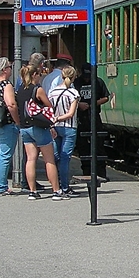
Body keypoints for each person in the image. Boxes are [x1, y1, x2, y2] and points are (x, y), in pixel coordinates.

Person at [18, 63, 62, 200]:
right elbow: (49, 107)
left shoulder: (20, 89)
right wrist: (51, 125)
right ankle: (56, 191)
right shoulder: (38, 90)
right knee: (49, 160)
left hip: (25, 128)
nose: (40, 76)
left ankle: (32, 191)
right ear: (34, 75)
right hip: (39, 127)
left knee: (30, 159)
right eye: (39, 74)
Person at [0, 57, 21, 196]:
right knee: (5, 155)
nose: (11, 69)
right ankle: (1, 187)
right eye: (10, 67)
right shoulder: (6, 85)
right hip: (6, 123)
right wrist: (18, 121)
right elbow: (11, 105)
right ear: (5, 70)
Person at [74, 63, 110, 184]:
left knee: (98, 145)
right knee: (83, 146)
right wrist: (79, 105)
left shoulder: (98, 82)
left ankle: (101, 173)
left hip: (94, 116)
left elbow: (106, 97)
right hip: (81, 117)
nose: (87, 79)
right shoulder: (77, 82)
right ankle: (86, 172)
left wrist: (94, 103)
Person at [49, 64, 81, 197]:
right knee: (65, 158)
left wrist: (53, 122)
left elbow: (49, 111)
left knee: (55, 157)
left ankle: (56, 186)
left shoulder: (53, 92)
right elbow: (71, 113)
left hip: (55, 128)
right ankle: (65, 187)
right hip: (69, 128)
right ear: (73, 77)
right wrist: (59, 118)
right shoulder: (73, 93)